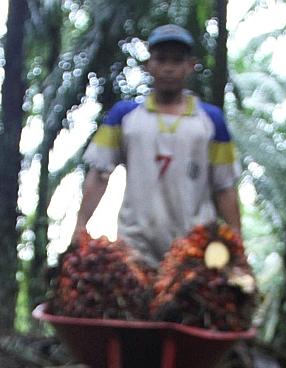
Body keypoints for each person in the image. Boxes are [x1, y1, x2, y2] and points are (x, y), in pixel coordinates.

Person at [71, 24, 243, 267]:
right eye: (161, 59)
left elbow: (225, 186)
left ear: (190, 65)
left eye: (177, 60)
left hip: (194, 250)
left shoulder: (211, 121)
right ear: (148, 65)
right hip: (135, 249)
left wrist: (237, 241)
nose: (169, 67)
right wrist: (80, 225)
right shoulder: (124, 116)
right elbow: (99, 174)